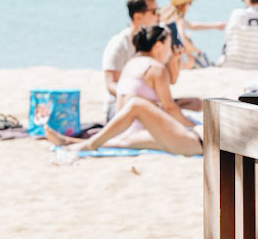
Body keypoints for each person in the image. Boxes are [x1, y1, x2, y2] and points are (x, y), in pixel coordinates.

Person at [72, 26, 202, 156]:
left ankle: (70, 142)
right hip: (140, 129)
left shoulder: (131, 64)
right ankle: (78, 143)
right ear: (158, 46)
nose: (169, 52)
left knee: (117, 142)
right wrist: (191, 126)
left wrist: (174, 60)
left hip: (120, 128)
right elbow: (169, 108)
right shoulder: (156, 68)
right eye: (168, 47)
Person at [102, 0, 161, 115]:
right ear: (138, 17)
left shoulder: (155, 44)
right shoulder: (119, 44)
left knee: (194, 103)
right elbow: (110, 84)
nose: (159, 15)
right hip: (120, 105)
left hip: (150, 103)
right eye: (154, 12)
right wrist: (136, 95)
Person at [163, 0, 223, 69]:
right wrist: (198, 51)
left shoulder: (165, 16)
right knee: (203, 61)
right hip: (179, 60)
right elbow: (182, 39)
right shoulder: (178, 19)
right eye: (190, 3)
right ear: (182, 5)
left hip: (166, 57)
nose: (190, 6)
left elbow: (192, 25)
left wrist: (215, 25)